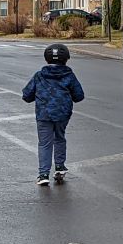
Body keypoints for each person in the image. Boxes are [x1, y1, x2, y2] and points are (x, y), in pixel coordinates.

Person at [22, 43, 85, 186]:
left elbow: (26, 95)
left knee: (44, 143)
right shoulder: (69, 75)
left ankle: (43, 174)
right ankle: (59, 167)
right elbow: (79, 95)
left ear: (46, 59)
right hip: (63, 113)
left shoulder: (39, 76)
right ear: (66, 59)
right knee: (60, 138)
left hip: (43, 114)